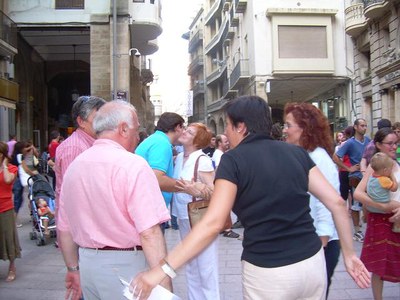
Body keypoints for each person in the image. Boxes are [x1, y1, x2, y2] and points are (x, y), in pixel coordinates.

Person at [132, 95, 371, 300]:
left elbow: (213, 223)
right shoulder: (297, 153)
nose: (224, 131)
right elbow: (338, 204)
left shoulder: (232, 161)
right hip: (312, 264)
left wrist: (161, 270)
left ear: (241, 127)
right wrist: (350, 255)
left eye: (227, 125)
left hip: (268, 271)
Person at [57, 100, 172, 300]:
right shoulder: (133, 165)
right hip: (125, 266)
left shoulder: (75, 166)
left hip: (88, 264)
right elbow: (150, 232)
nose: (138, 136)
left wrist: (73, 268)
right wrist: (164, 282)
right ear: (123, 129)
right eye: (136, 130)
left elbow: (64, 227)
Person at [283, 102, 341, 297]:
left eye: (288, 125)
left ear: (304, 128)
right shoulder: (304, 155)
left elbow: (328, 205)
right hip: (307, 241)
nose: (285, 130)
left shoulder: (318, 158)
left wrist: (321, 244)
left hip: (320, 243)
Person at [136, 112, 208, 232]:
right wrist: (188, 186)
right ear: (178, 127)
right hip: (151, 209)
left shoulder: (156, 140)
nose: (184, 132)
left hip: (148, 207)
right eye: (184, 128)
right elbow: (157, 178)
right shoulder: (162, 144)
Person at [172, 122, 220, 300]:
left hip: (200, 218)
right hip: (184, 217)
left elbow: (214, 191)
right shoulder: (179, 158)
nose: (184, 132)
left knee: (206, 267)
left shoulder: (202, 160)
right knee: (191, 264)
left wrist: (196, 189)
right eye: (186, 129)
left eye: (189, 132)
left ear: (197, 140)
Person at [354, 127, 400, 300]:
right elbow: (358, 193)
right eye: (390, 143)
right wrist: (383, 206)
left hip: (397, 219)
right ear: (379, 145)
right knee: (379, 266)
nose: (394, 146)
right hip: (380, 221)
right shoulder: (376, 167)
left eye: (396, 143)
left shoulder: (398, 164)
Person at [55, 96, 106, 213]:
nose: (104, 123)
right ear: (81, 121)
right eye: (98, 118)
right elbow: (74, 193)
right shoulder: (74, 147)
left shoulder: (90, 143)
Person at [333, 118, 370, 242]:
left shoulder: (368, 141)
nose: (364, 128)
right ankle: (357, 231)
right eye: (362, 125)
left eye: (365, 125)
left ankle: (368, 228)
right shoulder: (350, 143)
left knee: (368, 203)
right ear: (355, 127)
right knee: (355, 205)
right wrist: (348, 168)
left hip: (368, 177)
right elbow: (336, 157)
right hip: (356, 177)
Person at [212, 134, 240, 239]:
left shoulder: (218, 153)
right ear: (219, 143)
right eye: (225, 141)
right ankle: (227, 229)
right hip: (221, 184)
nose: (227, 143)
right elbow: (220, 169)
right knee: (225, 205)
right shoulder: (220, 155)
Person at [0, 142, 21, 282]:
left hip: (5, 207)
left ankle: (12, 266)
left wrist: (4, 165)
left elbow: (7, 180)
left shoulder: (12, 168)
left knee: (8, 236)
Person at [367, 152, 399, 232]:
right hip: (384, 203)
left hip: (372, 205)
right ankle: (396, 225)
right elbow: (394, 188)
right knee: (398, 206)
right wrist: (392, 177)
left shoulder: (372, 177)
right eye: (390, 169)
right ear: (385, 170)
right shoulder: (384, 180)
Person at [10, 141, 27, 227]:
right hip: (18, 180)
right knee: (17, 200)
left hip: (15, 180)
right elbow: (25, 167)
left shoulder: (14, 156)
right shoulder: (20, 156)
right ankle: (14, 220)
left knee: (19, 199)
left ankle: (14, 219)